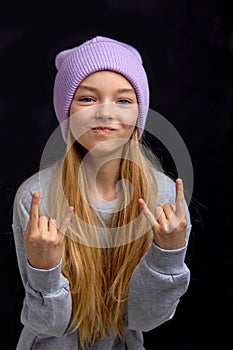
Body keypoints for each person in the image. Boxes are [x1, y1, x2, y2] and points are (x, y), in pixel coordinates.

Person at [12, 35, 192, 350]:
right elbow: (48, 325)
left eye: (123, 100)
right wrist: (45, 268)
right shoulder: (36, 196)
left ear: (139, 114)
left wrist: (168, 256)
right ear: (66, 112)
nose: (105, 113)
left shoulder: (165, 198)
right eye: (87, 99)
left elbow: (143, 321)